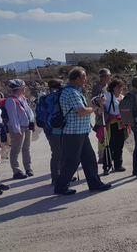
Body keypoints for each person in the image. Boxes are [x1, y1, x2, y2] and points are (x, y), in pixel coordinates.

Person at [54, 66, 111, 195]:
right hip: (74, 133)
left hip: (80, 132)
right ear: (78, 78)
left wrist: (94, 105)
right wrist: (97, 105)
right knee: (72, 161)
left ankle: (95, 184)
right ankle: (61, 187)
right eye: (84, 78)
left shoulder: (74, 91)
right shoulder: (72, 92)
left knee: (89, 158)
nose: (86, 81)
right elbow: (83, 112)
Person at [98, 79, 130, 175]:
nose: (120, 89)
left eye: (121, 87)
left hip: (122, 123)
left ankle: (118, 165)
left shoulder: (123, 97)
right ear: (112, 87)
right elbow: (95, 99)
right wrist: (100, 101)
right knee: (109, 145)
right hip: (111, 124)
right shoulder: (108, 95)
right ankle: (106, 167)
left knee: (119, 145)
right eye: (118, 87)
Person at [6, 79, 35, 179]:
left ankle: (28, 168)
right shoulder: (11, 100)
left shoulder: (22, 97)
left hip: (26, 126)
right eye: (24, 86)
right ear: (19, 88)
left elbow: (28, 111)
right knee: (16, 149)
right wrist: (17, 131)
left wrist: (32, 123)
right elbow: (13, 117)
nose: (25, 87)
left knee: (27, 148)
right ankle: (16, 171)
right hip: (18, 127)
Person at [43, 79, 64, 185]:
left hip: (59, 129)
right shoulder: (51, 98)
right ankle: (55, 177)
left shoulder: (57, 97)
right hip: (53, 129)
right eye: (58, 87)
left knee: (62, 153)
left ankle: (63, 175)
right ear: (52, 89)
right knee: (57, 154)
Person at [91, 68, 111, 164]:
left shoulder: (108, 86)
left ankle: (108, 153)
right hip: (101, 114)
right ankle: (101, 155)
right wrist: (96, 114)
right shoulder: (97, 87)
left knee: (108, 133)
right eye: (109, 75)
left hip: (109, 114)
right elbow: (93, 101)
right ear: (106, 76)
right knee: (101, 134)